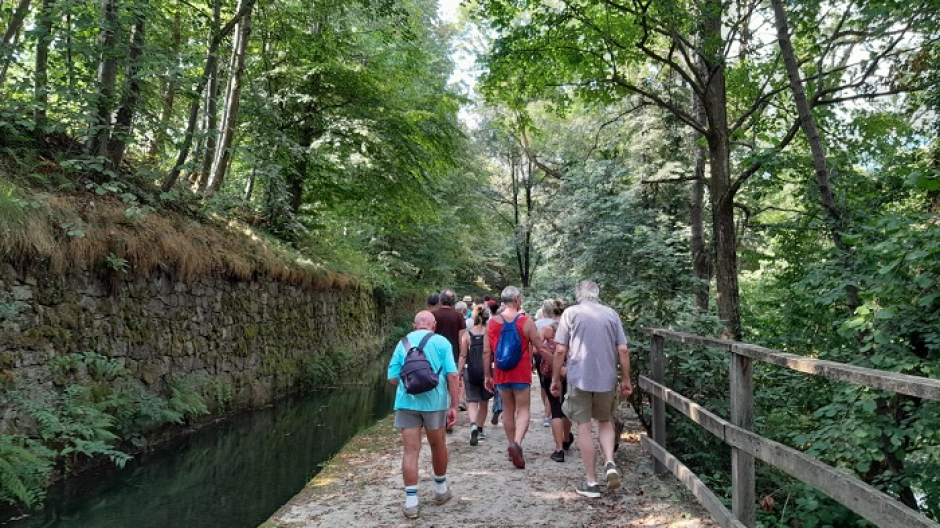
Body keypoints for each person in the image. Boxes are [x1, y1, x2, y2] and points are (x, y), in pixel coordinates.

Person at [551, 280, 632, 498]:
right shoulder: (611, 314)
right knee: (605, 421)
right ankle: (609, 461)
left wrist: (556, 378)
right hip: (607, 379)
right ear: (597, 294)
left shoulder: (571, 314)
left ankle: (592, 483)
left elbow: (559, 351)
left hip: (579, 379)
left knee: (584, 426)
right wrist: (626, 379)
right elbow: (623, 350)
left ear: (579, 295)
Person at [387, 311, 459, 518]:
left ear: (414, 324)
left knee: (410, 450)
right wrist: (453, 405)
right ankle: (440, 489)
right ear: (433, 325)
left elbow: (392, 378)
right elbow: (452, 376)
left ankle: (411, 502)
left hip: (406, 402)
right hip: (435, 404)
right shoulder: (442, 342)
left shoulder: (403, 343)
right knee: (437, 445)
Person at [483, 286, 549, 469]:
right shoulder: (526, 321)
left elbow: (487, 352)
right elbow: (541, 348)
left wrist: (487, 375)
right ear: (517, 299)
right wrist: (558, 366)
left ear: (503, 301)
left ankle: (511, 444)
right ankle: (517, 444)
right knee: (524, 410)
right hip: (520, 374)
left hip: (501, 374)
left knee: (508, 411)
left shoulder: (492, 323)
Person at [536, 298, 573, 462]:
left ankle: (558, 450)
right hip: (570, 372)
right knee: (567, 406)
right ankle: (566, 439)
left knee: (556, 409)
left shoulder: (546, 329)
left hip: (549, 372)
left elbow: (536, 349)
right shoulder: (572, 329)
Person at [457, 305, 492, 445]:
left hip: (470, 371)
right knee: (484, 402)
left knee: (471, 401)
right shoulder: (490, 334)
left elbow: (463, 355)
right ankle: (480, 428)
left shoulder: (467, 334)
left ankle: (472, 424)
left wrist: (458, 372)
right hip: (486, 371)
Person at [432, 289, 467, 426]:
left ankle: (438, 414)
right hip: (452, 354)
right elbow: (461, 339)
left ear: (440, 300)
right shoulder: (458, 317)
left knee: (436, 383)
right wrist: (462, 357)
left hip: (434, 355)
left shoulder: (433, 315)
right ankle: (449, 415)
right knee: (450, 384)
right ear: (454, 302)